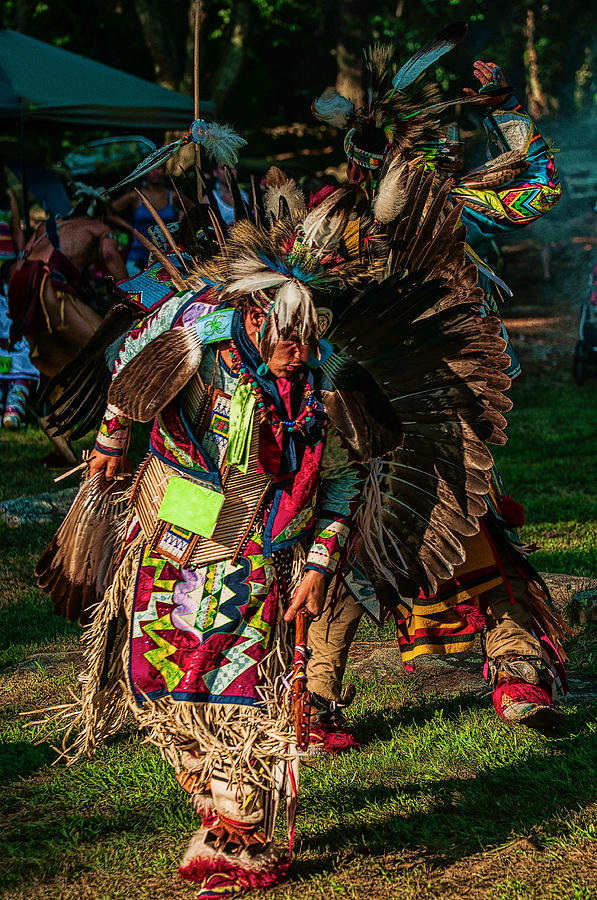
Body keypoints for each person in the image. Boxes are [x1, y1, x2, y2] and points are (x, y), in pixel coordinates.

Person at [36, 157, 512, 897]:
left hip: (262, 547)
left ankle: (238, 838)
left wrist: (320, 566)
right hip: (170, 535)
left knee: (242, 692)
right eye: (287, 333)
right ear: (255, 315)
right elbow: (130, 366)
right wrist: (108, 443)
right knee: (164, 691)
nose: (299, 346)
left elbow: (345, 481)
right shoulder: (195, 326)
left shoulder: (328, 373)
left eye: (310, 331)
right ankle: (209, 800)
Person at [308, 26, 568, 746]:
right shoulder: (332, 227)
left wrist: (506, 108)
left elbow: (537, 187)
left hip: (451, 397)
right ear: (376, 166)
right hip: (360, 403)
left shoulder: (456, 207)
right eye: (412, 160)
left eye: (433, 163)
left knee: (470, 523)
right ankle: (313, 693)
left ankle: (514, 668)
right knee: (356, 534)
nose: (429, 170)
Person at [7, 184, 128, 463]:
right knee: (109, 348)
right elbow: (110, 256)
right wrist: (131, 294)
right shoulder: (98, 228)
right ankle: (99, 431)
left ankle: (57, 431)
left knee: (63, 359)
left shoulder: (50, 225)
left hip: (21, 288)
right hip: (47, 287)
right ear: (100, 212)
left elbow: (25, 256)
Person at [0, 165, 38, 428]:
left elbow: (16, 231)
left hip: (7, 275)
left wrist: (21, 259)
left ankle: (15, 406)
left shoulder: (6, 196)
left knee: (14, 333)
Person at [110, 164, 190, 273]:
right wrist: (130, 229)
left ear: (164, 171)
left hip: (169, 260)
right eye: (151, 168)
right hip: (138, 258)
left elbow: (194, 210)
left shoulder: (173, 196)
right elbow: (109, 212)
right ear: (144, 171)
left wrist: (180, 224)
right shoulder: (134, 196)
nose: (155, 172)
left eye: (159, 168)